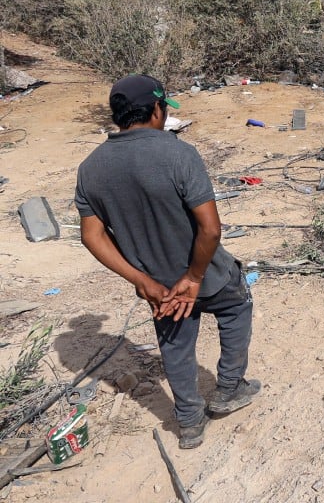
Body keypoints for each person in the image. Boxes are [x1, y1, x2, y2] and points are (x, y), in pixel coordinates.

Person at [75, 74, 259, 449]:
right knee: (237, 306)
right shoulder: (178, 153)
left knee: (175, 344)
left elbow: (91, 236)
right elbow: (210, 229)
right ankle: (228, 388)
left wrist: (140, 280)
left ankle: (190, 422)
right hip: (205, 273)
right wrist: (192, 278)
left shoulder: (91, 168)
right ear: (157, 110)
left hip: (157, 284)